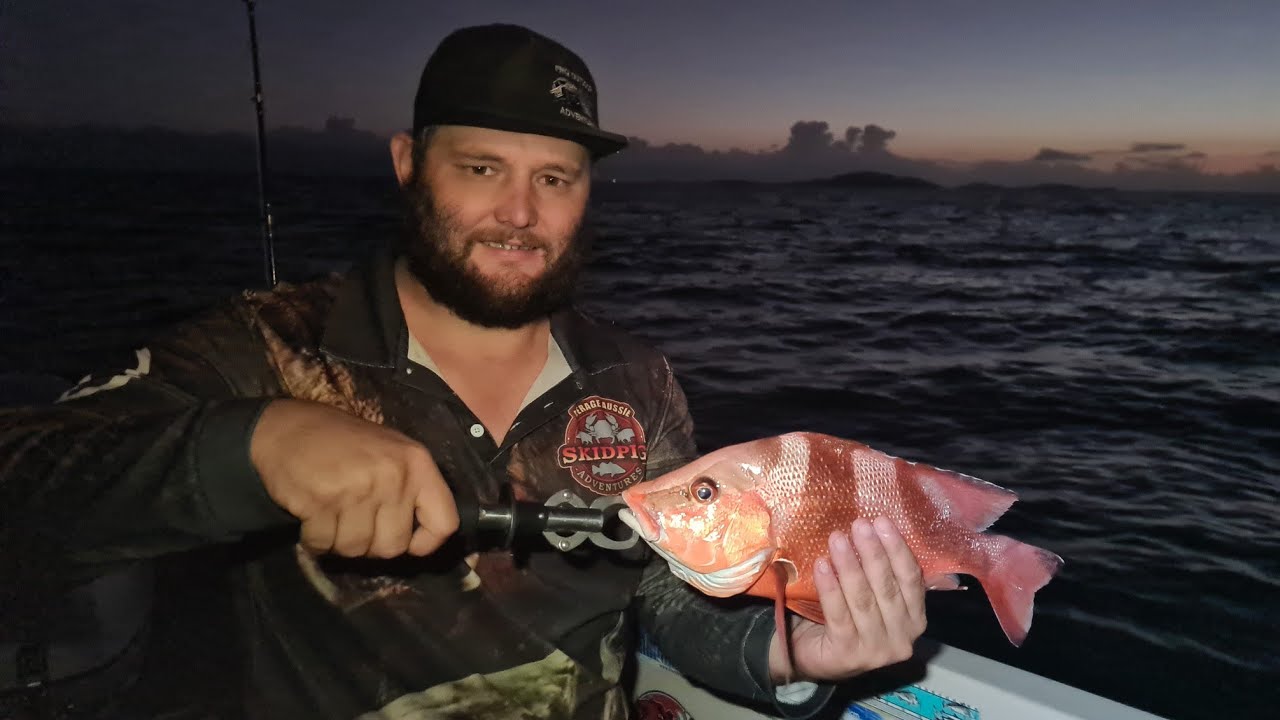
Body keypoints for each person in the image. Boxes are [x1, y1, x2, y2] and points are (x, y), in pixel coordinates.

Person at [0, 23, 926, 720]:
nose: (518, 213)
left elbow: (663, 590)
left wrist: (790, 651)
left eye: (554, 178)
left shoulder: (636, 380)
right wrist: (253, 443)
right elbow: (25, 480)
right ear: (409, 166)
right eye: (482, 167)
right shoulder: (259, 348)